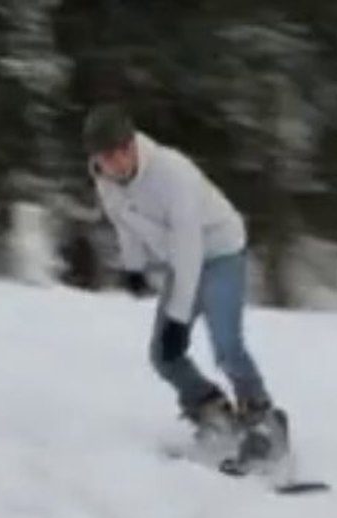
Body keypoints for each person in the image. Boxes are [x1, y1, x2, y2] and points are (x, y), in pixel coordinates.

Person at [83, 103, 288, 466]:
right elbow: (123, 221)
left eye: (120, 152)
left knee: (226, 345)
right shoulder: (103, 177)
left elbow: (189, 246)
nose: (114, 164)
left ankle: (262, 418)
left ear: (132, 145)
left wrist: (178, 317)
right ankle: (214, 412)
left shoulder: (171, 173)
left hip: (219, 252)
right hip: (183, 260)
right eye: (104, 157)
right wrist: (134, 267)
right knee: (163, 356)